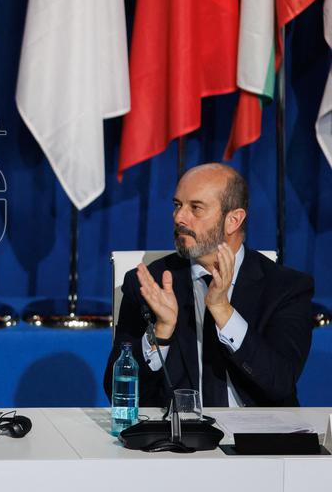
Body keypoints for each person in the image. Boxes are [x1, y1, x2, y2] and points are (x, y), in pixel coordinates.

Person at [105, 163, 314, 408]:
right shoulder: (149, 283)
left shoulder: (286, 288)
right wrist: (160, 333)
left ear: (233, 220)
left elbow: (280, 383)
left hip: (258, 439)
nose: (179, 218)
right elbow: (117, 390)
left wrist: (223, 310)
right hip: (180, 438)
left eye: (196, 208)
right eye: (177, 205)